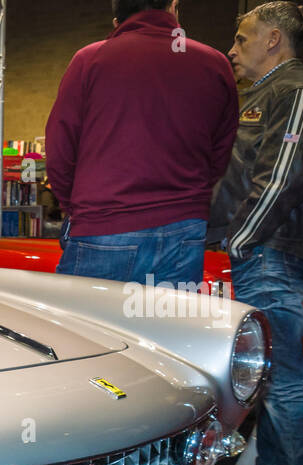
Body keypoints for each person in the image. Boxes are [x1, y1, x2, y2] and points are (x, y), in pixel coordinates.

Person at [209, 2, 303, 465]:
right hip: (262, 249)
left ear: (273, 40)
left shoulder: (299, 92)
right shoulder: (270, 93)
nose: (233, 50)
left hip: (272, 249)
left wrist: (239, 239)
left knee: (283, 373)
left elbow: (282, 175)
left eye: (242, 39)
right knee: (265, 370)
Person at [45, 0, 238, 285]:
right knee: (168, 328)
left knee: (89, 328)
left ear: (116, 22)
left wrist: (77, 209)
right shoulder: (215, 63)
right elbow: (221, 150)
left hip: (104, 223)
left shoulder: (90, 60)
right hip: (184, 227)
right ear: (173, 8)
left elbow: (60, 149)